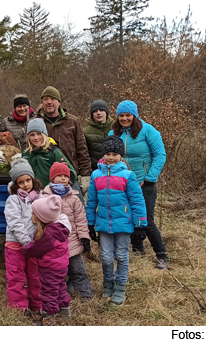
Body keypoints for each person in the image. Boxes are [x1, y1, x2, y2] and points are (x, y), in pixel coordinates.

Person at [85, 136, 147, 305]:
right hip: (103, 223)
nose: (111, 157)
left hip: (123, 224)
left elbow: (137, 200)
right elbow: (91, 201)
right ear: (103, 155)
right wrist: (89, 223)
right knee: (105, 257)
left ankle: (120, 287)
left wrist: (140, 224)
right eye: (108, 154)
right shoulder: (96, 175)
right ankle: (108, 283)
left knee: (121, 255)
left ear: (121, 156)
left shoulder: (128, 175)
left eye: (115, 154)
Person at [108, 100, 169, 269]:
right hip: (122, 183)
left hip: (144, 183)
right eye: (121, 115)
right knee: (128, 217)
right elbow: (109, 156)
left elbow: (160, 155)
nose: (125, 118)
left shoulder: (148, 131)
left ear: (135, 115)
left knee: (146, 220)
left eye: (128, 115)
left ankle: (162, 255)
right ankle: (137, 250)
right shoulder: (113, 132)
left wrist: (150, 177)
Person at [42, 162, 94, 300]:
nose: (63, 178)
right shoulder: (45, 198)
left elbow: (81, 220)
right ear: (52, 178)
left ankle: (86, 293)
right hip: (54, 244)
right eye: (59, 175)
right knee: (57, 272)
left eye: (65, 175)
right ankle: (60, 295)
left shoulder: (74, 198)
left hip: (72, 242)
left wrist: (84, 237)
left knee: (78, 269)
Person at [22, 195, 71, 326]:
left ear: (43, 218)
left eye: (34, 214)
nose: (32, 215)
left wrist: (24, 250)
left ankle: (48, 322)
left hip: (50, 268)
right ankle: (65, 312)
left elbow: (35, 248)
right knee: (60, 288)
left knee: (48, 293)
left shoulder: (48, 235)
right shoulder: (60, 227)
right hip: (61, 266)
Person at [3, 162, 43, 314]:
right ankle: (18, 306)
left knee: (36, 275)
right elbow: (14, 221)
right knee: (16, 275)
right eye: (21, 182)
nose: (25, 185)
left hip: (35, 244)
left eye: (28, 180)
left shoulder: (41, 197)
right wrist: (26, 241)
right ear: (15, 184)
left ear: (33, 180)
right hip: (16, 244)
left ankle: (38, 305)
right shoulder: (13, 200)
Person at [37, 86, 92, 195]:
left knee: (76, 207)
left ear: (59, 101)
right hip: (44, 177)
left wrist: (86, 176)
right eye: (45, 99)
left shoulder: (72, 122)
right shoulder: (36, 122)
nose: (49, 102)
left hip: (69, 176)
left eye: (52, 99)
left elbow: (82, 149)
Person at [21, 118, 76, 187]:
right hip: (31, 193)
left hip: (50, 193)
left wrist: (64, 189)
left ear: (44, 135)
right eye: (32, 135)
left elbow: (71, 171)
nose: (36, 137)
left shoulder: (53, 152)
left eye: (39, 134)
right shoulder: (26, 154)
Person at [83, 99, 115, 172]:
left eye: (101, 110)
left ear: (106, 112)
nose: (98, 113)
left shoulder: (116, 127)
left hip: (115, 169)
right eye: (95, 111)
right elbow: (84, 154)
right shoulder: (85, 132)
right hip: (95, 171)